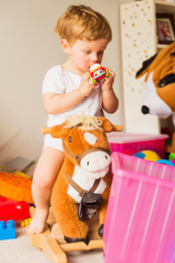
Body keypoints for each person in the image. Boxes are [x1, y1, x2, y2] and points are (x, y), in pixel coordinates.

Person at [28, 5, 119, 234]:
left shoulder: (98, 78)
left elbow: (111, 108)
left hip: (92, 144)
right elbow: (52, 105)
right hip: (62, 139)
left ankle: (102, 214)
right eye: (87, 51)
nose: (95, 58)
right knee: (42, 178)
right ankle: (40, 210)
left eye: (101, 51)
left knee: (108, 181)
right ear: (66, 46)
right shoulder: (57, 74)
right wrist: (81, 90)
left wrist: (107, 89)